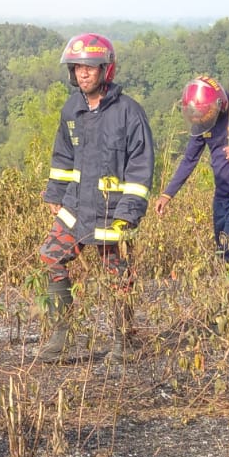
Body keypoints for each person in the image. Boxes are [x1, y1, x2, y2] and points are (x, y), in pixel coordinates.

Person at [37, 33, 155, 364]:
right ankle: (61, 338)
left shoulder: (129, 112)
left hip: (112, 212)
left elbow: (141, 167)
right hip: (76, 206)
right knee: (50, 256)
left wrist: (128, 213)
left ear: (106, 70)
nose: (83, 73)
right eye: (77, 68)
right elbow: (63, 156)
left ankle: (123, 342)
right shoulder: (71, 109)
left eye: (89, 67)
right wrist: (55, 192)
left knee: (118, 276)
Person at [153, 75, 229, 284]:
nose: (202, 121)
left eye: (206, 116)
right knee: (222, 250)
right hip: (222, 193)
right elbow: (189, 160)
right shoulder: (202, 120)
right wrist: (167, 194)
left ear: (219, 104)